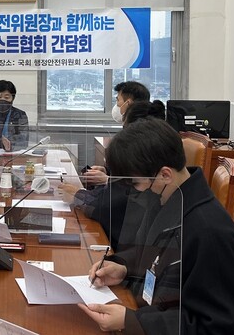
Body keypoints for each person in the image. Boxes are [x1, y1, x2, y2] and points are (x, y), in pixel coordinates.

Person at [79, 118, 234, 334]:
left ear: (164, 175)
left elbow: (221, 327)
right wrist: (124, 270)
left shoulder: (211, 234)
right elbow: (157, 260)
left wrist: (132, 322)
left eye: (135, 183)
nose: (133, 191)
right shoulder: (169, 200)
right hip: (153, 310)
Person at [59, 100, 166, 247]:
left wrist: (78, 195)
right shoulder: (146, 159)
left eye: (125, 128)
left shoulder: (148, 173)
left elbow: (109, 208)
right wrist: (109, 175)